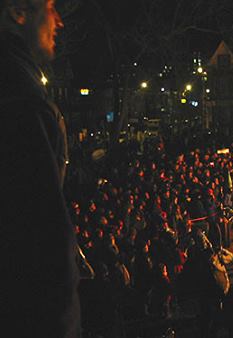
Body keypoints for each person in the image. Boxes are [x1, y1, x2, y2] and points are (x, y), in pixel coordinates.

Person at [0, 1, 79, 337]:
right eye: (49, 6)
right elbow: (42, 240)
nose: (59, 21)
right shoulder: (20, 102)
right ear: (18, 11)